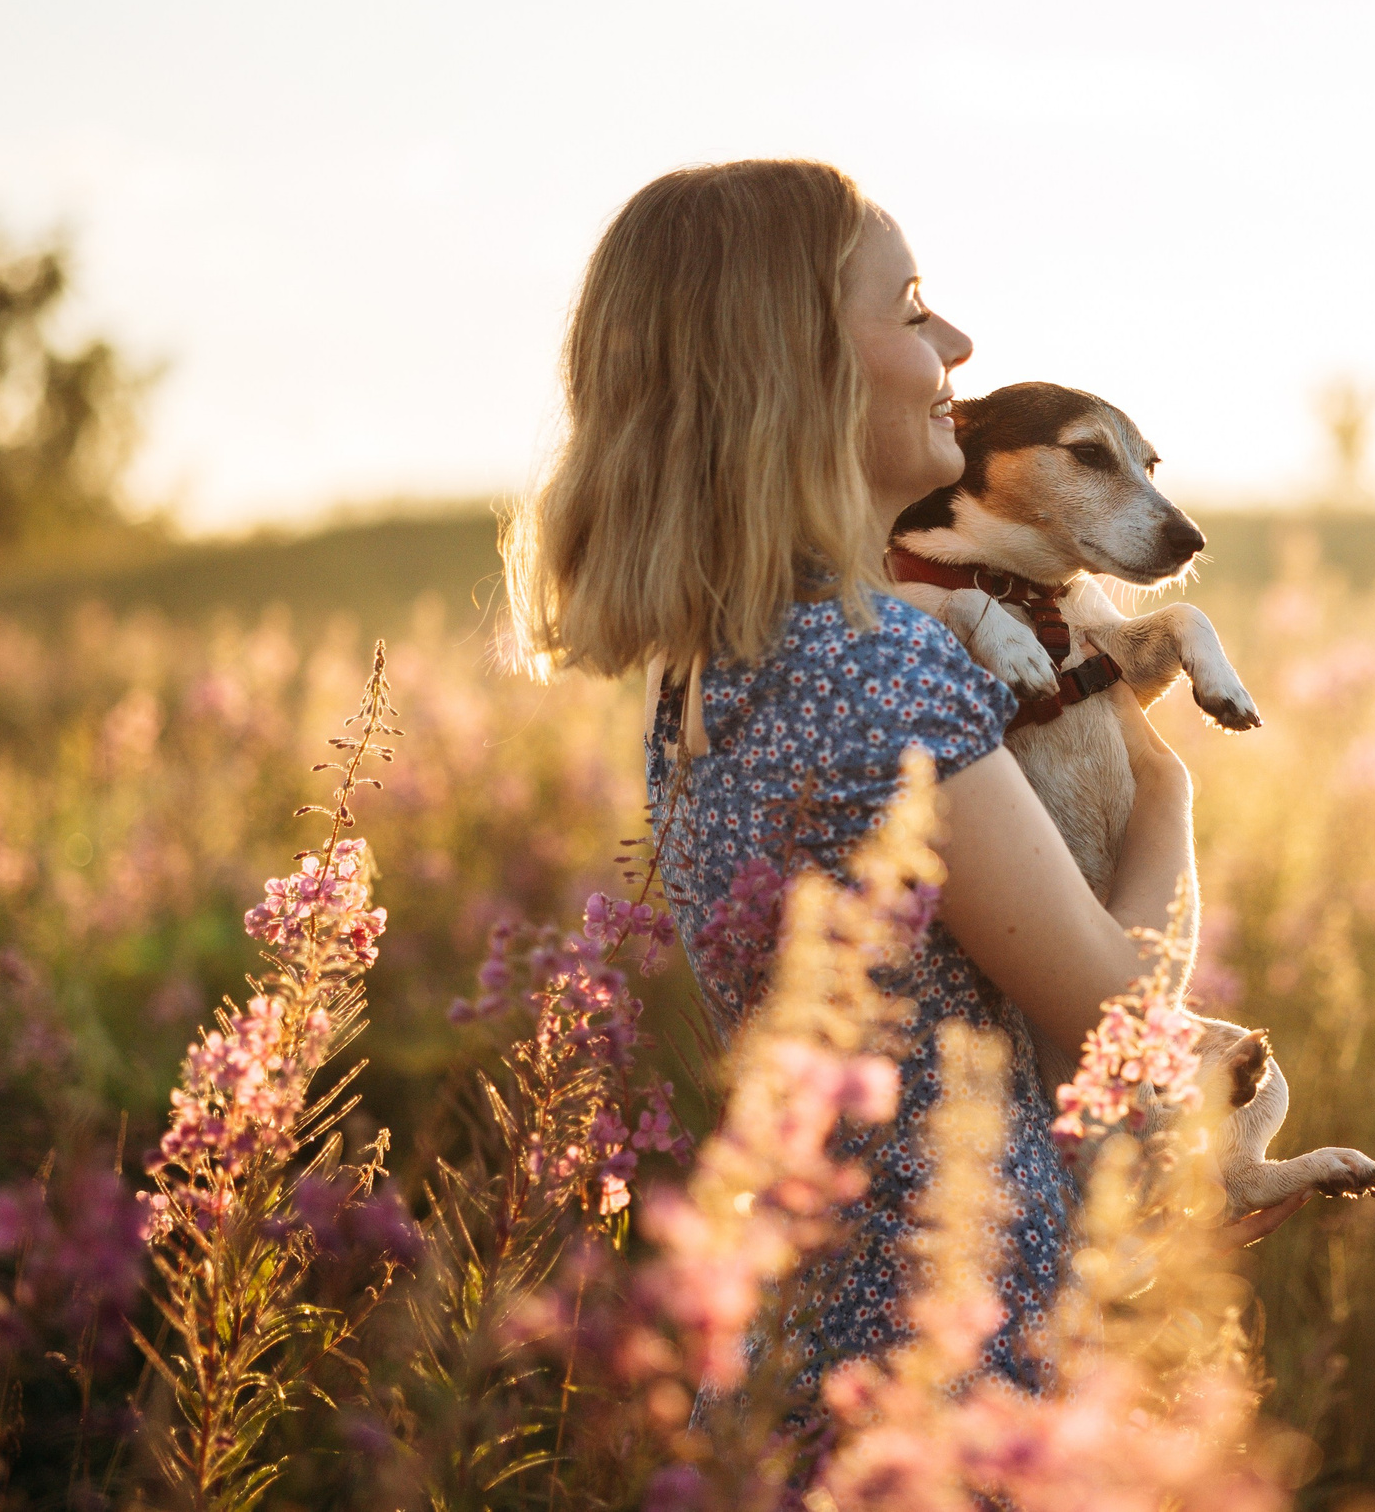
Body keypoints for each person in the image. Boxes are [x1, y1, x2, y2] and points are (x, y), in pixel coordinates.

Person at [502, 158, 1303, 1399]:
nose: (960, 342)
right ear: (795, 366)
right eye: (913, 306)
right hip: (947, 1355)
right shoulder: (876, 678)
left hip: (805, 1331)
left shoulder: (726, 660)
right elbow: (1115, 1030)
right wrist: (1168, 794)